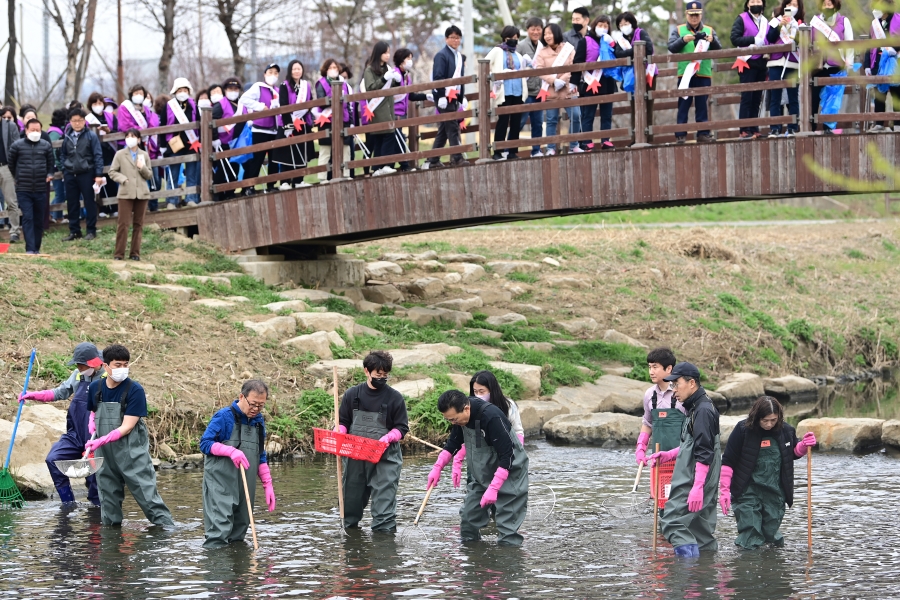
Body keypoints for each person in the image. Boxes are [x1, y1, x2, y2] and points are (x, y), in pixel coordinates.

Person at [85, 344, 174, 527]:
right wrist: (92, 424)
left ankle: (167, 532)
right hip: (105, 455)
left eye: (126, 364)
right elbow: (93, 412)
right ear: (105, 366)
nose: (122, 369)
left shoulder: (135, 390)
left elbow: (126, 427)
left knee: (148, 498)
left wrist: (101, 439)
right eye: (118, 365)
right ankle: (111, 546)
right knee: (108, 504)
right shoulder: (96, 388)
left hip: (131, 453)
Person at [429, 390, 528, 546]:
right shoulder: (460, 418)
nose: (453, 423)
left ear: (466, 409)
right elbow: (453, 443)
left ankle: (508, 565)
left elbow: (508, 455)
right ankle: (475, 563)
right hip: (482, 473)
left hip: (509, 472)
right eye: (449, 420)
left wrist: (494, 488)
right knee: (468, 520)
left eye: (454, 419)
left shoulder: (491, 417)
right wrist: (438, 466)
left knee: (507, 531)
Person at [719, 396, 818, 549]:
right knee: (750, 535)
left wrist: (804, 445)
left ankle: (771, 569)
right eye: (765, 420)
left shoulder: (786, 430)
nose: (769, 424)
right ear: (756, 417)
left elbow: (792, 453)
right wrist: (724, 490)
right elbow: (728, 461)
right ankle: (747, 568)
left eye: (773, 420)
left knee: (771, 537)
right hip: (747, 491)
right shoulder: (742, 430)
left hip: (774, 493)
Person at [648, 362, 721, 557]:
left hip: (694, 477)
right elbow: (693, 443)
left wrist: (697, 487)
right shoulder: (697, 406)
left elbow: (704, 452)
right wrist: (669, 455)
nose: (673, 390)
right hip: (701, 476)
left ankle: (687, 575)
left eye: (676, 384)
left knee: (672, 521)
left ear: (691, 383)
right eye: (671, 385)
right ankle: (704, 576)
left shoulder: (703, 410)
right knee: (700, 529)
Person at [19, 343, 105, 506]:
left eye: (81, 365)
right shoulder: (78, 375)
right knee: (53, 459)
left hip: (97, 438)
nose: (79, 368)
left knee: (95, 478)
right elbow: (60, 392)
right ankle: (68, 504)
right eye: (78, 365)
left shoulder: (108, 378)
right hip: (75, 435)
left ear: (93, 363)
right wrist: (32, 395)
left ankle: (97, 513)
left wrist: (98, 442)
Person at [336, 351, 408, 532]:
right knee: (350, 504)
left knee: (384, 509)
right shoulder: (352, 394)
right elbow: (344, 421)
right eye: (378, 374)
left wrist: (389, 437)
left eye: (385, 375)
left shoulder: (395, 398)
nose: (382, 378)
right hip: (356, 455)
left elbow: (401, 427)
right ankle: (351, 544)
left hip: (385, 458)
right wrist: (340, 431)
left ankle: (384, 550)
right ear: (366, 371)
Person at [199, 379, 276, 548]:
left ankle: (238, 573)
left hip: (245, 486)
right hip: (220, 483)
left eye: (261, 406)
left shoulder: (258, 421)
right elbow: (205, 444)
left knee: (239, 533)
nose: (256, 409)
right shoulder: (223, 417)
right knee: (218, 533)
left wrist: (267, 483)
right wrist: (230, 450)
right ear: (242, 397)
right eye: (253, 404)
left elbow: (260, 454)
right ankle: (217, 570)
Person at [452, 370, 525, 488]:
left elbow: (518, 432)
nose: (478, 395)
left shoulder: (508, 406)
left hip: (502, 456)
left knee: (502, 494)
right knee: (474, 493)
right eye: (475, 392)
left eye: (482, 391)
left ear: (492, 390)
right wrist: (458, 460)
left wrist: (516, 458)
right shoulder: (470, 410)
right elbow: (470, 439)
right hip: (479, 460)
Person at [668, 1, 722, 144]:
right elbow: (671, 47)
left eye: (697, 14)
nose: (694, 18)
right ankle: (681, 134)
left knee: (702, 105)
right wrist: (683, 40)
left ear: (701, 14)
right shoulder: (679, 30)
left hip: (703, 72)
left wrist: (712, 41)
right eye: (691, 15)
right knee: (683, 104)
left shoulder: (709, 30)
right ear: (686, 14)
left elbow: (719, 49)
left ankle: (703, 133)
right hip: (685, 73)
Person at [572, 15, 619, 151]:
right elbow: (577, 62)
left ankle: (606, 140)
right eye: (600, 25)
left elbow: (617, 57)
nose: (603, 28)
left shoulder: (610, 41)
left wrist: (613, 45)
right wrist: (573, 83)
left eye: (606, 26)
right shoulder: (585, 41)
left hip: (607, 82)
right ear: (594, 25)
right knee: (588, 114)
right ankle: (587, 141)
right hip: (590, 82)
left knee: (607, 114)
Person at [8, 118, 54, 254]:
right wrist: (17, 177)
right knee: (28, 217)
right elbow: (11, 164)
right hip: (24, 189)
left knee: (39, 219)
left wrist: (50, 174)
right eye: (32, 130)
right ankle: (30, 249)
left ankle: (37, 248)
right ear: (26, 130)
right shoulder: (17, 146)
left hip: (40, 188)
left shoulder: (46, 145)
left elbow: (51, 163)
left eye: (38, 130)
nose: (35, 132)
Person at [108, 128, 153, 261]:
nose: (130, 139)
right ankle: (119, 254)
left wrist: (142, 167)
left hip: (142, 194)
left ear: (139, 139)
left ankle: (135, 253)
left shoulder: (144, 155)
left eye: (133, 136)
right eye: (127, 136)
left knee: (138, 224)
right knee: (123, 224)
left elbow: (149, 175)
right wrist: (123, 179)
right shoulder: (120, 154)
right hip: (125, 193)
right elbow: (112, 172)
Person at [60, 108, 104, 241]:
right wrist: (64, 169)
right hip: (70, 174)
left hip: (86, 173)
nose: (77, 123)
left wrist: (98, 174)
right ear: (70, 122)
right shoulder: (67, 136)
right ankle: (74, 231)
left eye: (80, 120)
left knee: (89, 202)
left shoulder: (91, 136)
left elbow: (98, 155)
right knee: (72, 203)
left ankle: (91, 230)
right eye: (74, 121)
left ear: (84, 121)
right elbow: (62, 154)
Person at [634, 348, 684, 465]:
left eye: (655, 367)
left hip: (683, 462)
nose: (651, 372)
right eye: (650, 367)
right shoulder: (649, 394)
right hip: (659, 461)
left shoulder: (682, 393)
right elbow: (647, 424)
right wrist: (640, 448)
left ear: (669, 369)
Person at [810, 0, 853, 133]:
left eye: (830, 4)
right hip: (819, 65)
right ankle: (811, 127)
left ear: (835, 6)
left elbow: (850, 44)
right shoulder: (814, 22)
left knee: (833, 98)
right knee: (814, 98)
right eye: (825, 4)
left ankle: (828, 127)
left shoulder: (844, 21)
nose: (827, 6)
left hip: (837, 65)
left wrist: (849, 63)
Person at [614, 12, 657, 143]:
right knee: (634, 106)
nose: (623, 27)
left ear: (632, 23)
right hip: (632, 76)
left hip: (648, 73)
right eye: (621, 25)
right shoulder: (620, 39)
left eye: (626, 24)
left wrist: (630, 52)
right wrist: (634, 51)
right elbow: (617, 54)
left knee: (648, 105)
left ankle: (649, 138)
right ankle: (635, 137)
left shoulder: (641, 33)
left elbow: (648, 49)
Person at [485, 26, 527, 160]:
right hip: (504, 91)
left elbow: (523, 71)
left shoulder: (518, 55)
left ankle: (512, 152)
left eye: (516, 38)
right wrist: (498, 74)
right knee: (502, 121)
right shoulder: (497, 51)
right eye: (511, 37)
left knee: (516, 122)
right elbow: (484, 65)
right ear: (504, 37)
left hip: (518, 91)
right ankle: (498, 151)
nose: (514, 40)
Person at [534, 23, 576, 156]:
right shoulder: (542, 52)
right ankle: (551, 148)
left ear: (557, 33)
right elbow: (539, 70)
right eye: (545, 34)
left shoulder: (568, 49)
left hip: (568, 89)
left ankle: (574, 145)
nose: (547, 36)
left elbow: (572, 67)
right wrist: (554, 81)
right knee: (551, 120)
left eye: (549, 33)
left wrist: (562, 80)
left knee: (576, 116)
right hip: (550, 90)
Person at [238, 64, 282, 193]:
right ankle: (249, 186)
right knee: (257, 159)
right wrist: (260, 106)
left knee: (274, 160)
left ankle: (271, 185)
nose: (272, 75)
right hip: (260, 129)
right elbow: (244, 98)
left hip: (274, 128)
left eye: (275, 73)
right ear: (264, 74)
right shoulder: (258, 87)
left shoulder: (277, 91)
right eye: (270, 72)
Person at [428, 26, 467, 169]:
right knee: (452, 127)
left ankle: (433, 160)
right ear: (446, 39)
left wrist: (461, 97)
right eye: (453, 37)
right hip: (444, 97)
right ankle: (457, 158)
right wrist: (441, 95)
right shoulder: (442, 55)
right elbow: (438, 77)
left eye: (458, 38)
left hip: (454, 97)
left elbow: (460, 79)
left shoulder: (458, 55)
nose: (456, 40)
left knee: (444, 131)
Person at [117, 84, 161, 211]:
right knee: (137, 177)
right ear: (131, 95)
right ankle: (139, 208)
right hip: (133, 146)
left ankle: (153, 205)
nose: (138, 96)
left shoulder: (146, 109)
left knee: (154, 178)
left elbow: (153, 124)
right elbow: (125, 126)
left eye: (141, 93)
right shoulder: (125, 107)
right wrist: (141, 131)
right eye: (136, 93)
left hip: (149, 146)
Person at [732, 0, 771, 139]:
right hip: (747, 62)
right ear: (748, 4)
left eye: (758, 1)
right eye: (752, 1)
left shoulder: (766, 21)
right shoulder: (741, 18)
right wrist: (753, 40)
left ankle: (754, 128)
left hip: (762, 63)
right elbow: (735, 39)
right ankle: (744, 129)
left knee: (757, 98)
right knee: (747, 97)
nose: (755, 3)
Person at [362, 40, 401, 176]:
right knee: (388, 134)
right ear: (378, 53)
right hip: (377, 108)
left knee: (380, 138)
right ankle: (386, 164)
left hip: (388, 106)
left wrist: (398, 79)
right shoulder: (369, 70)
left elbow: (393, 85)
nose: (387, 55)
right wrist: (384, 79)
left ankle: (377, 168)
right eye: (385, 52)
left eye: (389, 52)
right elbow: (370, 87)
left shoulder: (388, 68)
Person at [766, 0, 804, 136]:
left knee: (793, 96)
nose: (791, 7)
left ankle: (792, 127)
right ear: (784, 6)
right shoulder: (775, 21)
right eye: (789, 4)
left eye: (795, 5)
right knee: (775, 97)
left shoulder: (799, 25)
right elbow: (770, 38)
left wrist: (796, 34)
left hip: (792, 62)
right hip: (776, 61)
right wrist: (779, 25)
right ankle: (775, 128)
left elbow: (802, 43)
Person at [276, 61, 315, 188]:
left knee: (302, 153)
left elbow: (310, 102)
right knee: (287, 154)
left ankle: (299, 180)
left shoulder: (306, 86)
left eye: (299, 69)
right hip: (289, 123)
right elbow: (284, 106)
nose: (297, 71)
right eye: (294, 69)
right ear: (290, 71)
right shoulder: (284, 85)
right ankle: (285, 182)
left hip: (303, 123)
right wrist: (288, 125)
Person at [165, 77, 201, 206]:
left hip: (191, 143)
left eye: (185, 89)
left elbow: (199, 123)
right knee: (173, 174)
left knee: (191, 173)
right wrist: (163, 146)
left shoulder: (193, 105)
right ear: (175, 91)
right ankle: (172, 201)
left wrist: (200, 141)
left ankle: (191, 198)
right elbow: (163, 124)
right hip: (174, 144)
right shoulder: (169, 106)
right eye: (180, 90)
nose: (182, 92)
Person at [314, 59, 352, 183]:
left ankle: (346, 174)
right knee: (325, 150)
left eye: (335, 67)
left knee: (346, 148)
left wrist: (351, 120)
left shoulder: (343, 83)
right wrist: (335, 98)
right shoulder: (321, 83)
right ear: (325, 69)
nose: (333, 69)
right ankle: (322, 177)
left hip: (343, 119)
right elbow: (321, 100)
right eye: (330, 67)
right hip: (326, 120)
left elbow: (348, 103)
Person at [864, 4, 900, 132]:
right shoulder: (874, 24)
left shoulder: (898, 19)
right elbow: (869, 45)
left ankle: (897, 125)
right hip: (878, 61)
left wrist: (894, 49)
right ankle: (879, 124)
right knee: (879, 94)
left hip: (894, 61)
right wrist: (867, 64)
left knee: (897, 94)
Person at [392, 48, 428, 171]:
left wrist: (425, 96)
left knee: (398, 137)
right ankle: (404, 165)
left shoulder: (407, 76)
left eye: (411, 58)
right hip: (395, 111)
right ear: (401, 60)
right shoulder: (394, 74)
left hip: (403, 112)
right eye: (408, 58)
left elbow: (411, 95)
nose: (410, 61)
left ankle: (399, 164)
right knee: (399, 137)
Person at [561, 6, 588, 153]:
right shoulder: (566, 37)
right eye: (573, 19)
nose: (574, 22)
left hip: (590, 78)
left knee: (587, 111)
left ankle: (585, 142)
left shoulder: (591, 35)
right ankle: (575, 143)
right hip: (573, 79)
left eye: (577, 19)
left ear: (586, 20)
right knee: (576, 113)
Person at [517, 17, 546, 157]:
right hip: (526, 91)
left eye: (538, 29)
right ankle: (509, 150)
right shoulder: (521, 46)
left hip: (540, 91)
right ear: (527, 30)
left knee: (538, 123)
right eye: (532, 29)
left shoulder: (543, 46)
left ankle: (536, 150)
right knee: (520, 121)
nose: (536, 32)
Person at [86, 92, 119, 204]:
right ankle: (102, 208)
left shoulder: (111, 116)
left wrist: (108, 131)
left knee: (111, 178)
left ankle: (114, 206)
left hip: (110, 151)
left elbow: (117, 132)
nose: (97, 105)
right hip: (95, 153)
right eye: (95, 103)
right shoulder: (87, 119)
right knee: (99, 179)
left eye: (100, 103)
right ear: (90, 105)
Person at [0, 106, 21, 242]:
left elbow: (17, 147)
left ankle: (14, 232)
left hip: (6, 167)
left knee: (11, 201)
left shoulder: (10, 126)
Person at [48, 108, 68, 222]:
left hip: (58, 167)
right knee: (60, 193)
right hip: (56, 168)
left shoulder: (57, 131)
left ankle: (53, 214)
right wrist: (60, 167)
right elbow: (54, 152)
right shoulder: (55, 133)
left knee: (62, 193)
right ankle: (56, 215)